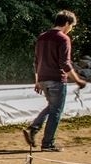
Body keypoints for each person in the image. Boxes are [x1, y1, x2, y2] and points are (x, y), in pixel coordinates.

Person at [23, 10, 87, 152]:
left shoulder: (42, 37)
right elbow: (65, 63)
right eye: (72, 26)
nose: (71, 29)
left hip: (43, 79)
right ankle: (48, 143)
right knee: (56, 111)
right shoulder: (63, 39)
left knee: (52, 107)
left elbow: (36, 61)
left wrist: (37, 80)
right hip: (57, 79)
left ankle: (33, 128)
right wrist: (77, 80)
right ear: (67, 23)